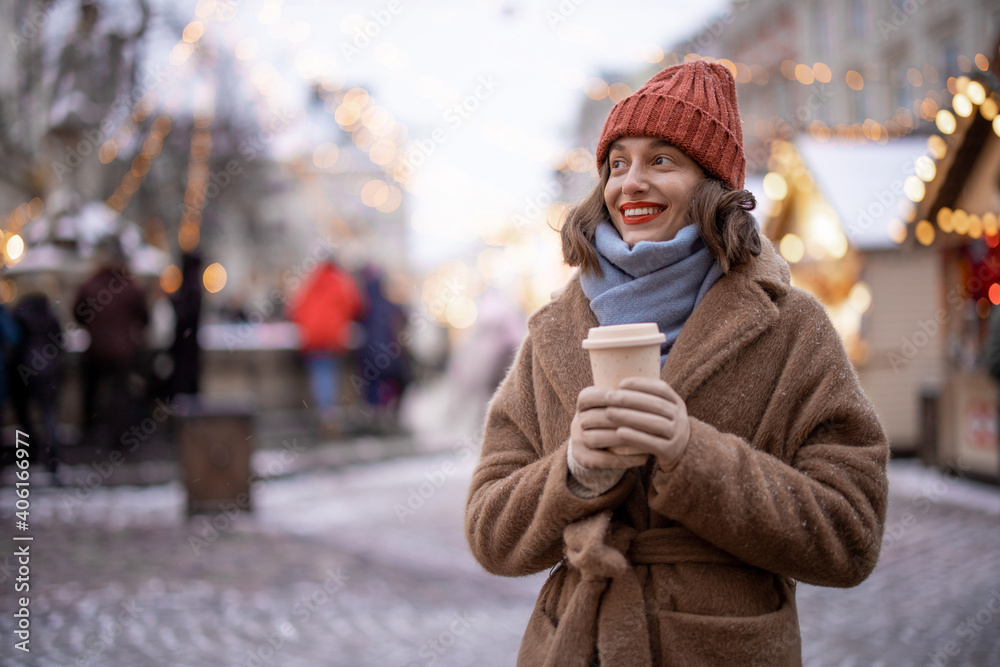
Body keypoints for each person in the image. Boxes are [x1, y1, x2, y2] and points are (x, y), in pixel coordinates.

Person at [464, 60, 890, 666]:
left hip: (724, 646)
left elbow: (851, 533)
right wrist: (574, 473)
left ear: (712, 184)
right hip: (575, 643)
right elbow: (490, 532)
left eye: (662, 160)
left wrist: (693, 454)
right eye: (618, 162)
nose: (630, 182)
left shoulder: (791, 326)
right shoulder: (554, 331)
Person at [74, 235, 149, 449]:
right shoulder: (131, 286)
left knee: (91, 391)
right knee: (121, 395)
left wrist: (94, 327)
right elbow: (144, 316)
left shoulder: (90, 283)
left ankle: (89, 433)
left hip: (95, 348)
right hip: (123, 350)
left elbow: (78, 314)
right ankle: (119, 439)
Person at [286, 254, 362, 436]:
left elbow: (294, 308)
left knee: (319, 372)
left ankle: (323, 412)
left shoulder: (310, 282)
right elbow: (356, 305)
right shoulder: (342, 281)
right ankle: (327, 414)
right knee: (327, 373)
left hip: (311, 337)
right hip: (331, 336)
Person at [9, 293, 64, 475]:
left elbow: (13, 342)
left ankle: (32, 448)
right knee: (48, 414)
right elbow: (60, 342)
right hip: (48, 371)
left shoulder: (19, 317)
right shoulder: (50, 317)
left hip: (25, 370)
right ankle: (52, 451)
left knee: (24, 413)